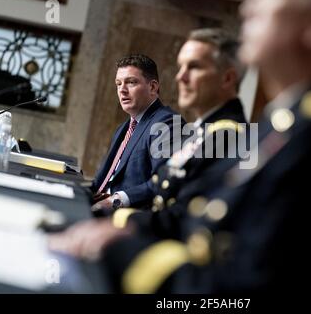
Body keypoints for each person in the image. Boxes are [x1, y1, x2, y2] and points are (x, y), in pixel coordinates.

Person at [100, 0, 311, 293]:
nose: (248, 5)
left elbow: (242, 288)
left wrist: (122, 255)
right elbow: (201, 223)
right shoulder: (291, 124)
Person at [49, 28, 249, 258]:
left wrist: (118, 217)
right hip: (141, 225)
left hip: (159, 245)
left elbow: (179, 214)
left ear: (227, 78)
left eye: (193, 67)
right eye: (118, 84)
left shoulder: (223, 135)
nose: (179, 77)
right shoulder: (196, 129)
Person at [90, 54, 180, 212]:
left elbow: (164, 182)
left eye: (131, 82)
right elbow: (101, 181)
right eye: (118, 84)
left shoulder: (166, 123)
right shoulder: (124, 128)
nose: (122, 90)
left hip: (127, 217)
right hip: (97, 206)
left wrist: (117, 200)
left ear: (152, 87)